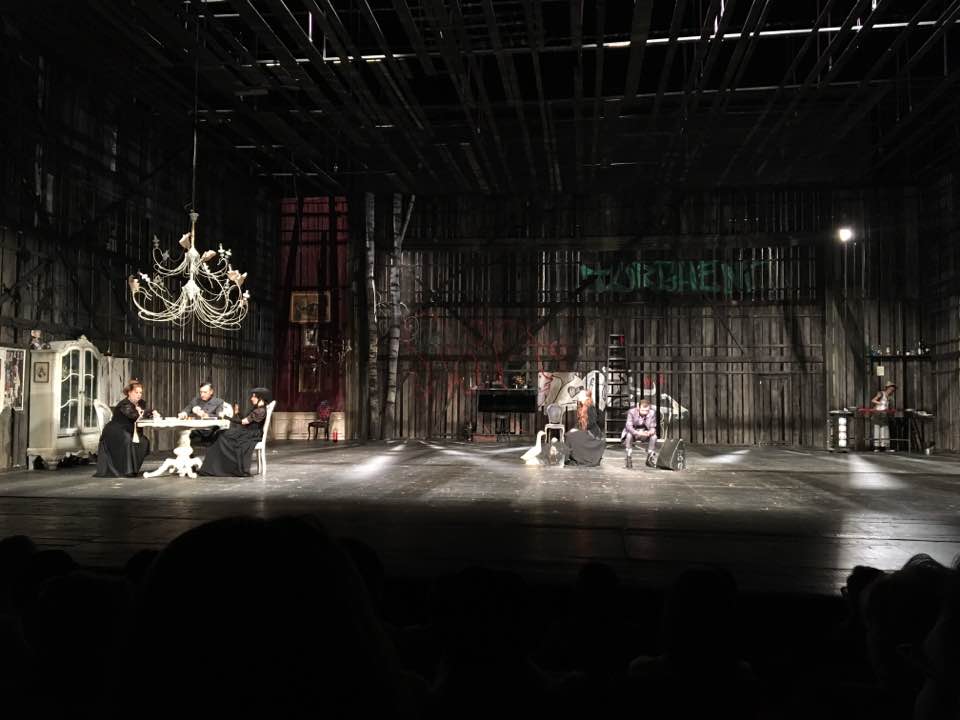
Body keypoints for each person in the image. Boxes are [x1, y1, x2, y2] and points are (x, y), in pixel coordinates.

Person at [93, 381, 161, 477]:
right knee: (127, 439)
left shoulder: (141, 403)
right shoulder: (124, 404)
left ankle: (133, 469)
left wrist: (153, 413)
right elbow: (134, 416)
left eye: (140, 392)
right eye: (136, 392)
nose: (139, 395)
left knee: (144, 441)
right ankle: (126, 470)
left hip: (129, 430)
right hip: (115, 430)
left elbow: (145, 413)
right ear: (129, 392)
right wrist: (146, 412)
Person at [198, 388, 271, 477]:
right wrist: (238, 413)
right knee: (220, 433)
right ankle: (215, 467)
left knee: (221, 435)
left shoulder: (260, 411)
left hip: (251, 434)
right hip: (248, 432)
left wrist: (225, 417)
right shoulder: (258, 409)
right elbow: (248, 420)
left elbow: (244, 422)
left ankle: (219, 468)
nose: (251, 398)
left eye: (254, 396)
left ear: (261, 398)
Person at [566, 389, 605, 466]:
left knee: (571, 436)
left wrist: (579, 431)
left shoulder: (590, 407)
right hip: (585, 430)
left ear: (585, 397)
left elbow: (591, 423)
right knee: (569, 434)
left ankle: (579, 457)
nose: (578, 396)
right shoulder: (582, 406)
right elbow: (580, 423)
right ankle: (570, 456)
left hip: (591, 433)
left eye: (580, 395)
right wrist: (575, 429)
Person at [622, 397, 657, 469]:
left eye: (647, 410)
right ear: (638, 407)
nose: (645, 412)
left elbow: (653, 426)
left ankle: (649, 458)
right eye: (643, 410)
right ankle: (628, 457)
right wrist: (638, 433)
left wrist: (651, 431)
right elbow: (628, 426)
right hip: (634, 432)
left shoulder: (652, 413)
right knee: (629, 435)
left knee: (654, 437)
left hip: (645, 432)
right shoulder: (631, 412)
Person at [871, 383, 896, 452]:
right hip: (878, 413)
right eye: (891, 389)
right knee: (877, 430)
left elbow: (889, 406)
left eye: (893, 390)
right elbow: (873, 400)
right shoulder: (881, 394)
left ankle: (886, 447)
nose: (891, 391)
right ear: (887, 388)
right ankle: (876, 447)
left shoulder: (890, 397)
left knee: (885, 430)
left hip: (885, 414)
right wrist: (880, 403)